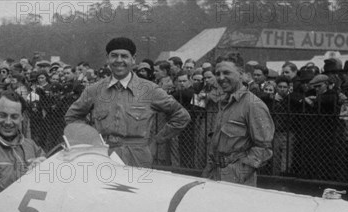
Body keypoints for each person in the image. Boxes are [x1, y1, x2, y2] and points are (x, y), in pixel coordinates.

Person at [65, 37, 190, 168]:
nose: (119, 60)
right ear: (107, 58)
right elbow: (72, 116)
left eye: (124, 56)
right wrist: (91, 140)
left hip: (138, 159)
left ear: (133, 59)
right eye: (114, 56)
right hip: (103, 157)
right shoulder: (94, 90)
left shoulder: (149, 90)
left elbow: (181, 116)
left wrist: (156, 141)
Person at [202, 54, 274, 186]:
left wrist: (237, 174)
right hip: (215, 174)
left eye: (226, 73)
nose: (221, 78)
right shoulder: (225, 102)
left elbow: (264, 148)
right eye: (217, 73)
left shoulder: (253, 105)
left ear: (241, 74)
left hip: (237, 181)